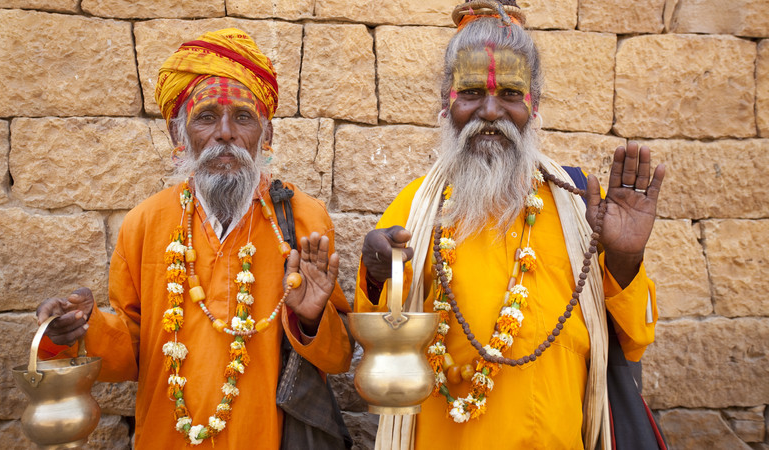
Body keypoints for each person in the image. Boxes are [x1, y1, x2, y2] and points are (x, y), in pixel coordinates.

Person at [355, 1, 666, 449]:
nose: (490, 111)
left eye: (511, 94)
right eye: (471, 92)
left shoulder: (577, 208)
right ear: (447, 101)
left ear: (534, 105)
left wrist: (624, 256)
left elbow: (634, 342)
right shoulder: (415, 206)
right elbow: (377, 346)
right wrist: (378, 272)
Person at [36, 28, 353, 449]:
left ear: (267, 135)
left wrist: (312, 321)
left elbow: (339, 357)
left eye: (243, 117)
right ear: (177, 134)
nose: (225, 133)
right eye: (206, 117)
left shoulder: (302, 218)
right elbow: (133, 349)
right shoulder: (145, 223)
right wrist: (79, 332)